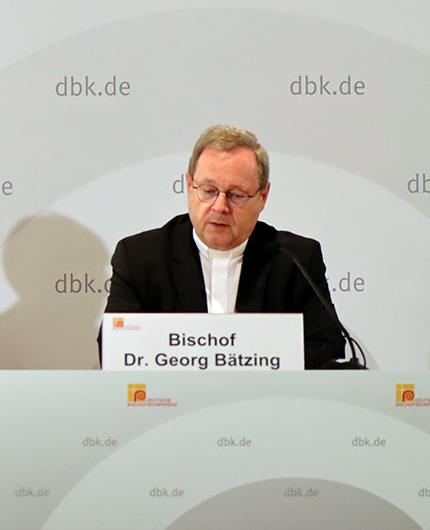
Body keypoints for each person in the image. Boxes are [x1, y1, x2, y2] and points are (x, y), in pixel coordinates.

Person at [102, 125, 345, 368]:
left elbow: (327, 344)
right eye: (208, 191)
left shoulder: (295, 259)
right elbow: (114, 348)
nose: (220, 207)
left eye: (236, 195)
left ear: (263, 197)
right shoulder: (140, 258)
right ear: (189, 186)